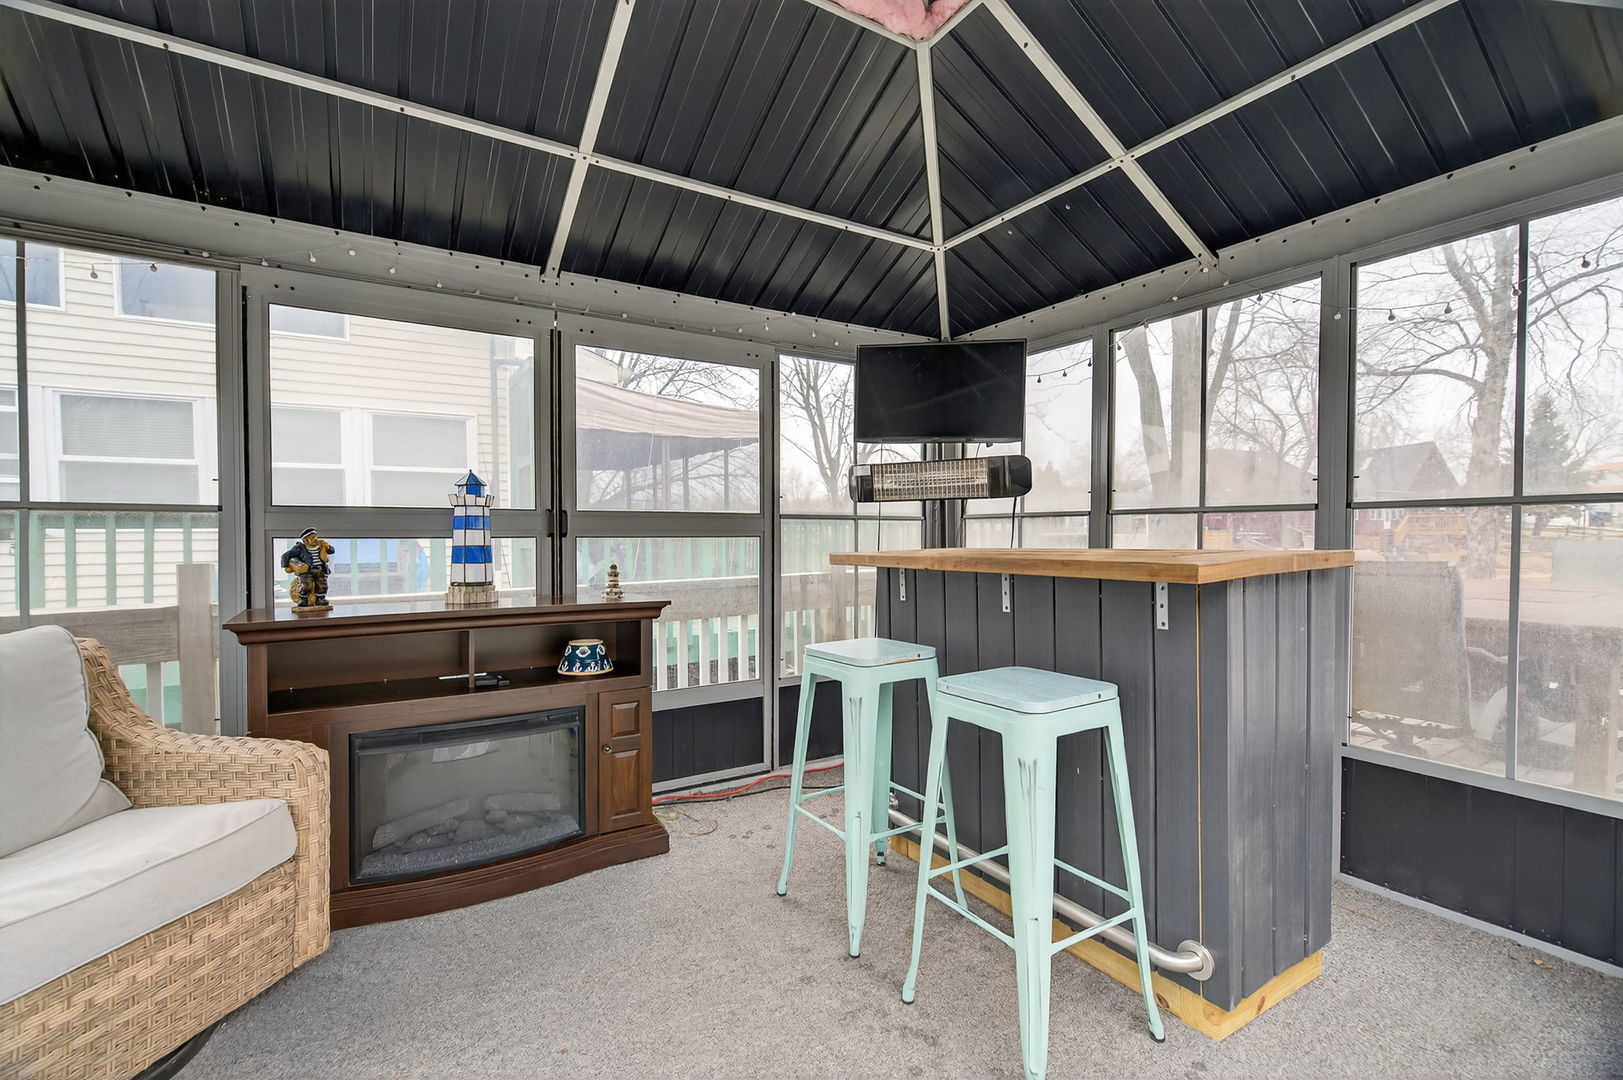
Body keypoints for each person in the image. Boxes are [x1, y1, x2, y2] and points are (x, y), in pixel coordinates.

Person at [281, 527, 335, 610]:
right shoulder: (300, 548)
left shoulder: (321, 545)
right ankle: (303, 599)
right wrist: (286, 566)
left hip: (320, 570)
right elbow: (285, 555)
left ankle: (320, 599)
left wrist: (327, 547)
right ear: (305, 540)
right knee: (306, 586)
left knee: (322, 585)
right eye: (311, 538)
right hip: (307, 571)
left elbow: (331, 551)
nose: (315, 540)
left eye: (315, 537)